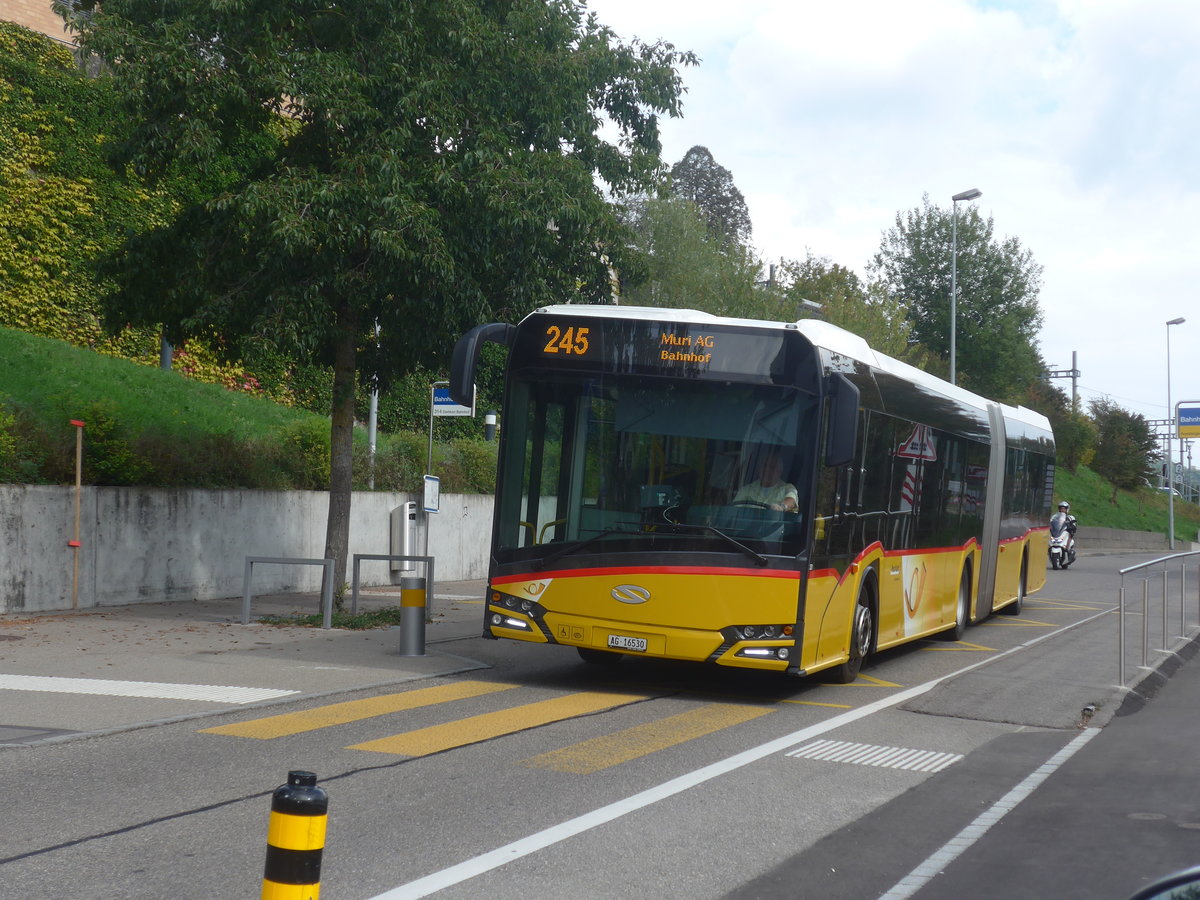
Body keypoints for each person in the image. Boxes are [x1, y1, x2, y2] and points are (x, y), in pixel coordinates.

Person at [734, 452, 799, 512]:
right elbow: (734, 510)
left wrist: (782, 507)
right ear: (759, 468)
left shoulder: (788, 488)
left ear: (779, 472)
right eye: (764, 466)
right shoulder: (746, 490)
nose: (767, 470)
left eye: (772, 467)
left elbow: (791, 501)